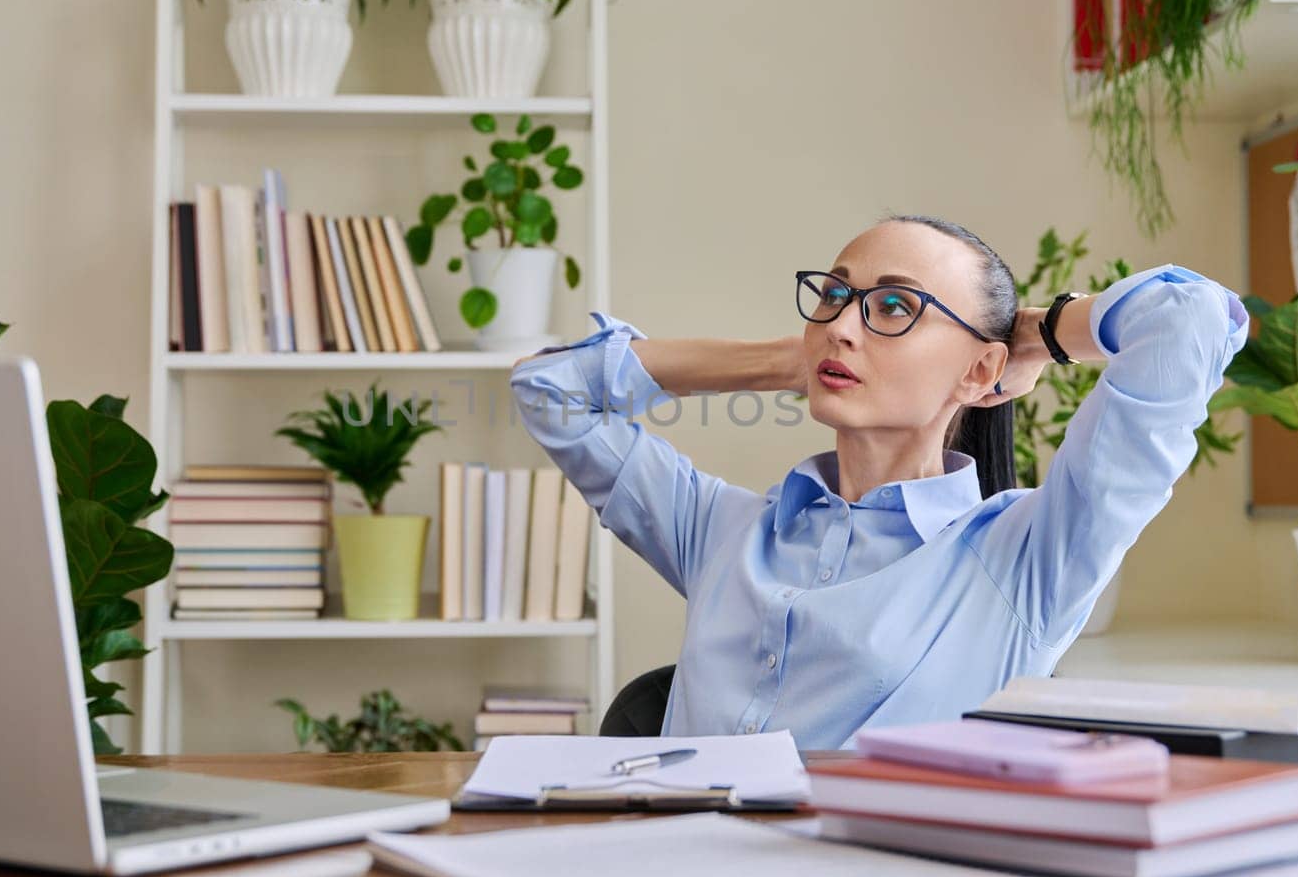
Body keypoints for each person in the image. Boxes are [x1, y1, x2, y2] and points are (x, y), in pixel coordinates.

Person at [508, 214, 1248, 749]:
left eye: (896, 305)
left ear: (982, 370)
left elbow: (1191, 318)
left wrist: (1034, 335)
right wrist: (788, 362)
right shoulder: (722, 530)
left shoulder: (1024, 558)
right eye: (833, 296)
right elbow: (548, 389)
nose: (843, 325)